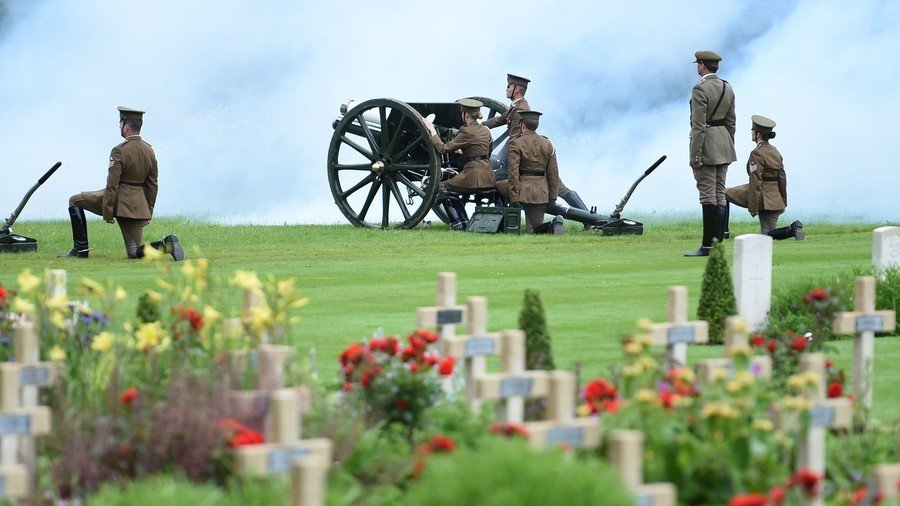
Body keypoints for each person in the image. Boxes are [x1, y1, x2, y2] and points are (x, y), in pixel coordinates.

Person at [62, 106, 183, 260]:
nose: (119, 127)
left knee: (74, 201)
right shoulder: (149, 150)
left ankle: (81, 250)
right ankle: (166, 245)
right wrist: (148, 211)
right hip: (138, 205)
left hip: (118, 200)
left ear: (126, 126)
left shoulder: (119, 150)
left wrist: (108, 211)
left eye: (120, 124)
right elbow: (153, 184)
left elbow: (112, 185)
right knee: (134, 252)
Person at [483, 73, 589, 213]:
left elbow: (515, 137)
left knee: (492, 181)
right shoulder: (516, 106)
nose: (506, 89)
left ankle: (589, 218)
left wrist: (499, 158)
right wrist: (481, 126)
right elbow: (501, 119)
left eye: (509, 86)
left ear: (517, 89)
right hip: (525, 154)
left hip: (525, 157)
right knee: (558, 186)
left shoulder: (521, 109)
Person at [685, 50, 736, 257]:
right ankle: (719, 242)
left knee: (707, 195)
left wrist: (695, 156)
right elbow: (731, 122)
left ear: (703, 65)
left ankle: (708, 246)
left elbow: (698, 126)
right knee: (719, 193)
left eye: (698, 64)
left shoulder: (700, 89)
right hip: (724, 143)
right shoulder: (727, 86)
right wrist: (728, 144)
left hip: (707, 144)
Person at [725, 115, 804, 240]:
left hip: (763, 198)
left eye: (753, 131)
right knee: (769, 233)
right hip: (775, 198)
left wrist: (753, 207)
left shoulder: (757, 153)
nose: (751, 133)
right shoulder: (775, 152)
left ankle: (723, 233)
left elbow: (755, 182)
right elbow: (782, 178)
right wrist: (783, 201)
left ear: (757, 134)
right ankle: (793, 228)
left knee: (724, 194)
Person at [424, 98, 494, 229]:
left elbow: (442, 149)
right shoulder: (485, 130)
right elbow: (485, 152)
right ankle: (463, 221)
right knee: (452, 185)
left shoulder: (466, 131)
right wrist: (465, 151)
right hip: (488, 176)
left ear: (466, 114)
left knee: (441, 188)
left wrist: (431, 130)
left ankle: (459, 223)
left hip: (473, 177)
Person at [496, 110, 563, 234]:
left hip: (522, 191)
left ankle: (504, 221)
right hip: (541, 193)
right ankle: (553, 226)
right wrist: (552, 198)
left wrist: (514, 197)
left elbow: (513, 171)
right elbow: (553, 172)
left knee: (498, 184)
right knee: (533, 229)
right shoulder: (547, 143)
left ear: (522, 125)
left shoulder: (516, 143)